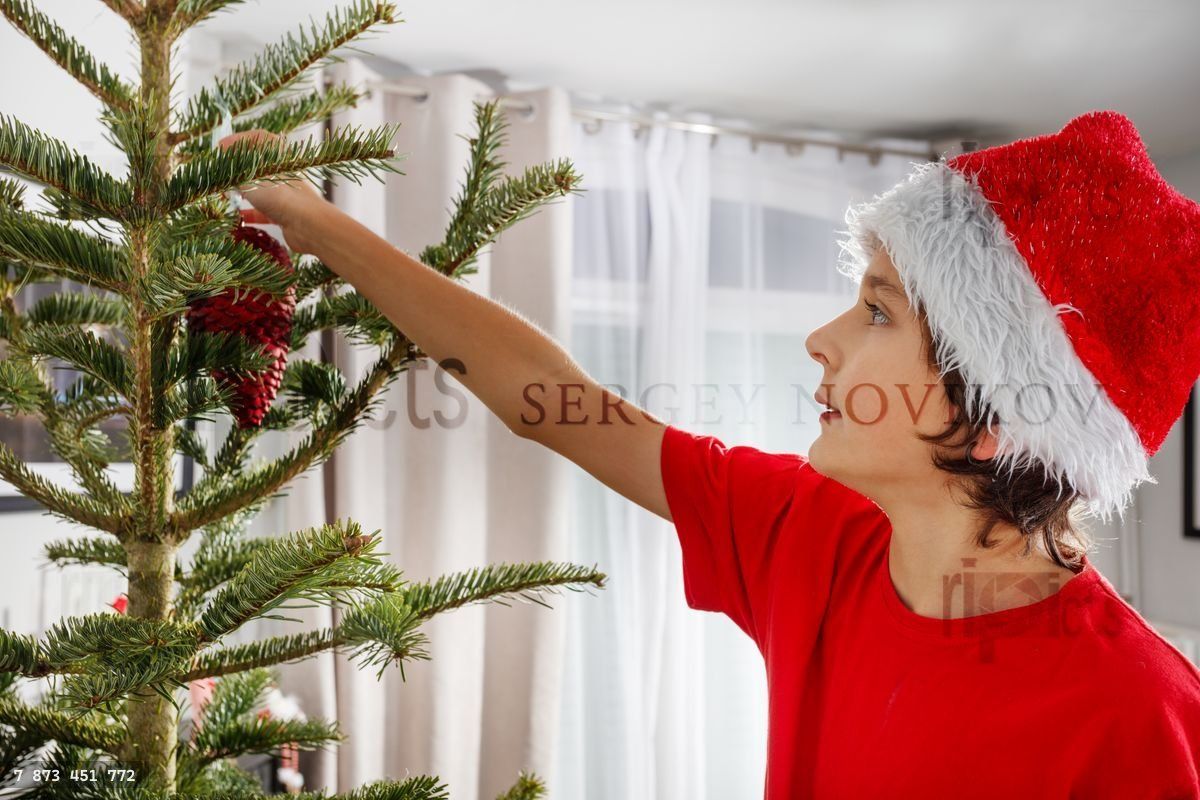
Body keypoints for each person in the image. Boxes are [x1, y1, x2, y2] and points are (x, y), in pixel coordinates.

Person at [221, 108, 1200, 798]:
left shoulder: (1139, 716)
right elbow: (555, 406)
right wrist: (314, 222)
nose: (821, 338)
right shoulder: (811, 531)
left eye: (876, 309)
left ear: (998, 407)